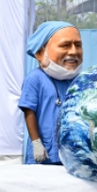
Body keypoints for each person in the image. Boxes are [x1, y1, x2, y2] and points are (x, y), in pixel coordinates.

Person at [19, 21, 83, 165]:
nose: (73, 52)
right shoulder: (35, 78)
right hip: (44, 152)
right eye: (65, 45)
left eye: (78, 45)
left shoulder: (78, 80)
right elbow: (29, 112)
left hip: (71, 153)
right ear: (40, 53)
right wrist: (36, 142)